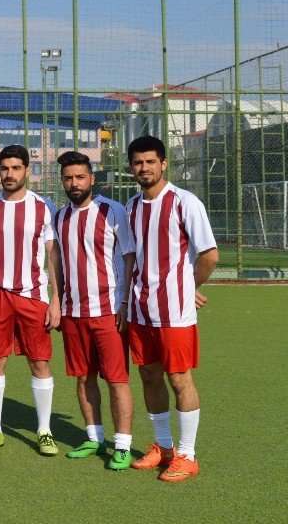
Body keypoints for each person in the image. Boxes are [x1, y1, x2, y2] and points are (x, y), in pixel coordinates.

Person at [124, 136, 218, 482]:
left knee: (179, 378)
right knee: (149, 375)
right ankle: (163, 447)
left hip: (174, 313)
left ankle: (188, 454)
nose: (144, 168)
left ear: (163, 164)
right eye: (137, 162)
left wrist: (187, 288)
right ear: (131, 167)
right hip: (139, 310)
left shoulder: (185, 202)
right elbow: (132, 257)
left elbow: (209, 256)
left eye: (150, 161)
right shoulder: (132, 206)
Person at [0, 144, 61, 456]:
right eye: (4, 168)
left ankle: (44, 431)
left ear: (27, 171)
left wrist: (57, 299)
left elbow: (52, 255)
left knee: (39, 362)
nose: (9, 174)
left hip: (33, 295)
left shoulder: (43, 208)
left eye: (16, 168)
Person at [50, 151, 136, 471]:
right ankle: (94, 437)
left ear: (92, 179)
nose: (74, 183)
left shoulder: (113, 211)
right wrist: (56, 301)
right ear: (63, 181)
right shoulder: (59, 217)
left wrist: (126, 302)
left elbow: (129, 258)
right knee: (83, 377)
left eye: (80, 177)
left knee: (116, 379)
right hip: (73, 312)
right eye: (68, 178)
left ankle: (123, 445)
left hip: (109, 310)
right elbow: (56, 264)